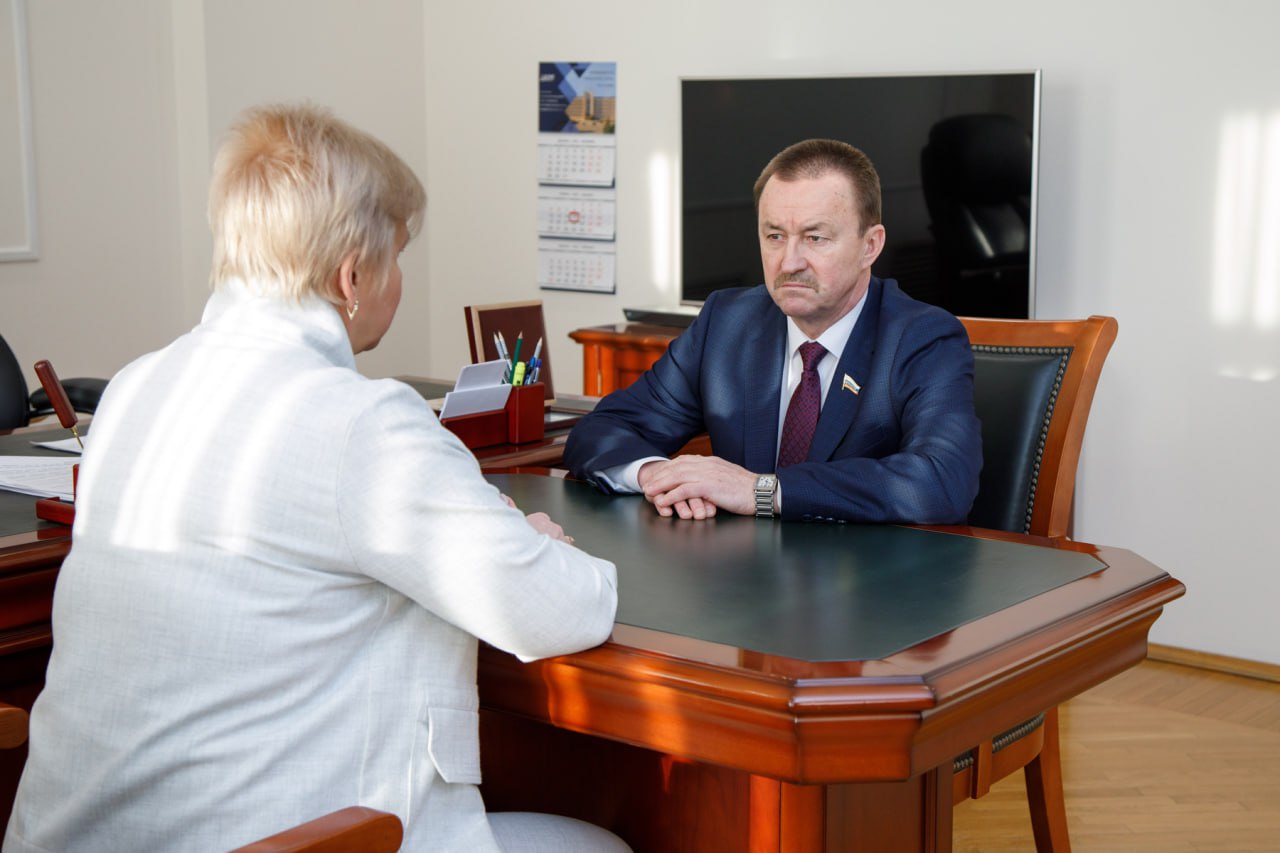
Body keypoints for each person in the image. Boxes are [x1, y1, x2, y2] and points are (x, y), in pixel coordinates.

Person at [4, 105, 629, 853]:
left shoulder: (137, 387)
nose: (400, 279)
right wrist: (534, 545)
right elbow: (554, 610)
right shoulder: (360, 421)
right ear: (352, 276)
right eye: (398, 257)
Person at [565, 138, 981, 524]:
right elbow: (602, 431)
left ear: (870, 246)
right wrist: (658, 475)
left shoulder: (923, 338)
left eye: (815, 238)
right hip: (740, 567)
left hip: (867, 572)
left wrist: (761, 490)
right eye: (775, 236)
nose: (789, 262)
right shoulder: (727, 322)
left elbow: (941, 481)